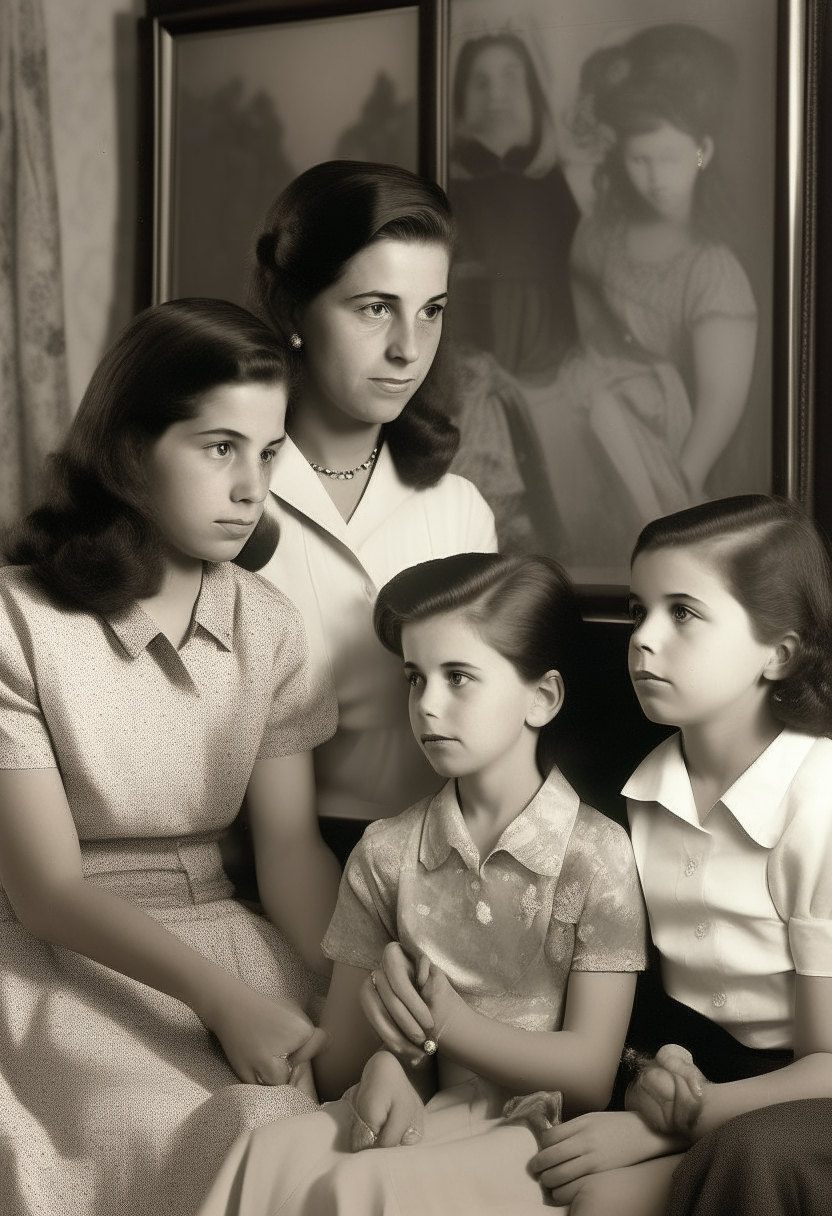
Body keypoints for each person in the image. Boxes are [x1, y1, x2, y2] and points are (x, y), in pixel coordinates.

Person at [0, 299, 343, 1216]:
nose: (250, 487)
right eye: (218, 447)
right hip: (63, 965)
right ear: (129, 448)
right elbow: (47, 893)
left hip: (243, 949)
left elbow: (291, 851)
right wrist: (222, 1003)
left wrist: (352, 983)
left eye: (269, 453)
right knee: (180, 1134)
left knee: (322, 1140)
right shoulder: (18, 621)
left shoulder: (267, 624)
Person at [197, 551, 648, 1216]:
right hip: (410, 1100)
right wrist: (388, 1063)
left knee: (358, 1187)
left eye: (459, 677)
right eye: (415, 678)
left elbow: (589, 1076)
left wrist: (451, 1027)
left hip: (532, 1130)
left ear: (542, 697)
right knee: (264, 1150)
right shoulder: (385, 855)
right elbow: (342, 1068)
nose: (427, 705)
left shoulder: (597, 857)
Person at [530, 496, 832, 1216]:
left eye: (684, 613)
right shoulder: (632, 795)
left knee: (636, 1189)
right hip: (693, 1077)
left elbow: (826, 1067)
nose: (643, 640)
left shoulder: (816, 800)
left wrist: (667, 1124)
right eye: (640, 611)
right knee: (575, 1189)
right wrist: (651, 1078)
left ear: (778, 651)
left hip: (802, 1092)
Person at [246, 161, 497, 827]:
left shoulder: (459, 510)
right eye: (376, 308)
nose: (409, 349)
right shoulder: (228, 504)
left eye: (432, 311)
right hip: (248, 864)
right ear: (294, 310)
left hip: (434, 862)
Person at [530, 24, 758, 576]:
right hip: (600, 398)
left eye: (669, 160)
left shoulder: (712, 267)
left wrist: (686, 476)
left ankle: (657, 520)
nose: (655, 179)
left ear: (702, 152)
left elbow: (721, 400)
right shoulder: (601, 235)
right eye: (639, 161)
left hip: (673, 427)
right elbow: (592, 342)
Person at [448, 32, 579, 377]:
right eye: (480, 81)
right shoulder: (448, 188)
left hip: (554, 363)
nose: (496, 96)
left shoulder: (556, 186)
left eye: (510, 77)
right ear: (458, 105)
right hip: (473, 362)